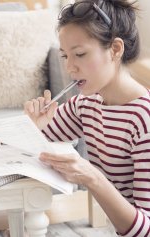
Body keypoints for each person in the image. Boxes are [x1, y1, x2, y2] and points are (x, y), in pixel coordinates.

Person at [24, 0, 150, 236]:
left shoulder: (144, 121)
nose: (70, 67)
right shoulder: (86, 104)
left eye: (80, 54)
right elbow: (23, 149)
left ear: (115, 49)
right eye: (65, 56)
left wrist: (92, 177)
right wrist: (34, 127)